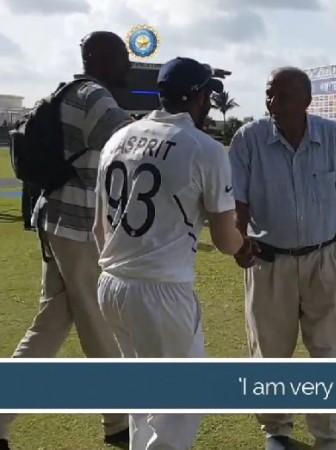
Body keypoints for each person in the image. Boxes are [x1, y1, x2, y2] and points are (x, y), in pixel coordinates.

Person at [94, 56, 247, 450]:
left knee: (141, 393)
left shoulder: (119, 138)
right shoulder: (204, 148)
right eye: (207, 96)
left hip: (111, 281)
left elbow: (99, 228)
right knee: (183, 398)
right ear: (197, 97)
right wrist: (245, 244)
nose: (210, 104)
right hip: (160, 290)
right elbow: (228, 240)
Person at [0, 31, 132, 450]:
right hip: (76, 226)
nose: (127, 62)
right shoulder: (94, 95)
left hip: (57, 219)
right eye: (120, 55)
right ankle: (119, 423)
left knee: (51, 324)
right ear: (97, 58)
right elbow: (129, 143)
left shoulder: (70, 91)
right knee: (96, 322)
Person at [229, 67, 336, 450]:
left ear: (307, 101)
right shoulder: (248, 139)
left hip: (324, 257)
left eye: (282, 95)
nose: (273, 103)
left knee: (327, 351)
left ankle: (329, 438)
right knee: (270, 351)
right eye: (269, 94)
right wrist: (241, 241)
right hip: (267, 260)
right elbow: (238, 200)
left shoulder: (333, 137)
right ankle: (277, 430)